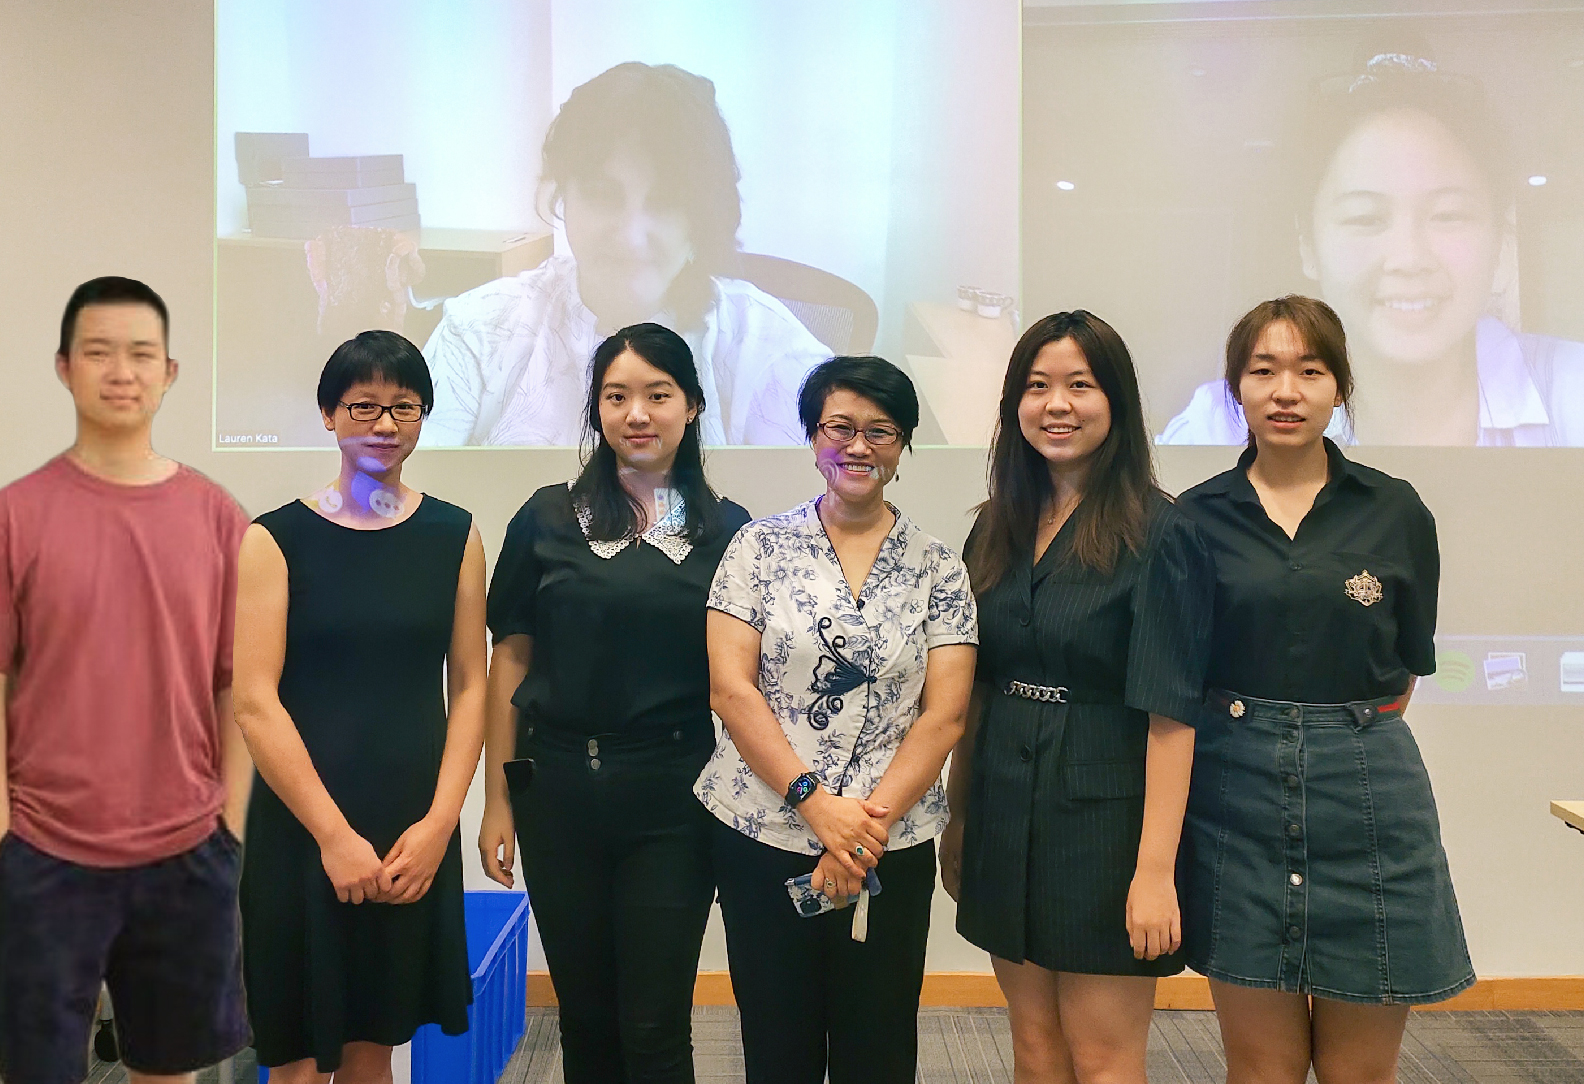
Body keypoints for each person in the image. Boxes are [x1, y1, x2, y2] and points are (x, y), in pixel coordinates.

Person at [1175, 296, 1474, 1084]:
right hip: (1234, 795)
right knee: (1261, 1067)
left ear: (1338, 387)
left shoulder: (1395, 509)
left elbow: (1406, 664)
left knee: (1359, 1072)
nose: (1286, 390)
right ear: (1235, 387)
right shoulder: (1195, 518)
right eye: (1263, 370)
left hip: (1370, 798)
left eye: (1310, 371)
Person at [941, 311, 1213, 1084]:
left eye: (1079, 386)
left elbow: (1171, 716)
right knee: (1033, 1046)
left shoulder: (1164, 534)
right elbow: (979, 689)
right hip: (1002, 805)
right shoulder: (994, 528)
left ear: (1115, 403)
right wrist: (960, 817)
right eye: (1037, 387)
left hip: (1107, 826)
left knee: (1102, 1058)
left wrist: (1155, 871)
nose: (1056, 405)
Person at [478, 322, 750, 1082]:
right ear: (596, 409)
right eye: (617, 396)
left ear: (692, 405)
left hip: (674, 796)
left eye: (658, 395)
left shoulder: (730, 532)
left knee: (655, 1022)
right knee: (585, 1020)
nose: (638, 414)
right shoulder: (546, 516)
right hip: (557, 790)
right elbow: (512, 659)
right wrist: (497, 800)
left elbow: (744, 688)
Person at [0, 277, 252, 1084]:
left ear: (170, 372)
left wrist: (232, 825)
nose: (121, 371)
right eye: (99, 352)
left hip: (185, 846)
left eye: (141, 353)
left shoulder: (216, 517)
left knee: (168, 1069)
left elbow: (237, 687)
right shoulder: (17, 514)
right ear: (65, 367)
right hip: (43, 849)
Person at [699, 356, 978, 1084]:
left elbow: (943, 717)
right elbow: (732, 691)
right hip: (765, 831)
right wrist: (816, 806)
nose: (859, 446)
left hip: (892, 840)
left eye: (880, 431)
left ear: (905, 443)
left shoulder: (938, 567)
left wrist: (862, 830)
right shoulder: (757, 548)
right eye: (840, 428)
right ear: (812, 436)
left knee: (878, 1046)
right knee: (776, 1043)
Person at [232, 330, 487, 1081]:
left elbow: (471, 684)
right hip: (300, 824)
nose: (383, 424)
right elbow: (254, 701)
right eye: (363, 405)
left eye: (402, 408)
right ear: (328, 415)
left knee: (375, 1047)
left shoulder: (454, 534)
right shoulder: (273, 539)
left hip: (409, 824)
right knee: (300, 1057)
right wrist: (332, 835)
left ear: (423, 417)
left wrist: (443, 824)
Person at [1161, 52, 1584, 446]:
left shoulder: (1570, 391)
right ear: (1308, 244)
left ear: (1499, 241)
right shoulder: (1226, 423)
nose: (1408, 259)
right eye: (1366, 218)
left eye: (1448, 215)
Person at [421, 61, 831, 447]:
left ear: (701, 216)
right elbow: (402, 494)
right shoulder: (478, 333)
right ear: (564, 195)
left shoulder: (769, 352)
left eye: (666, 201)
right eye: (603, 195)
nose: (632, 236)